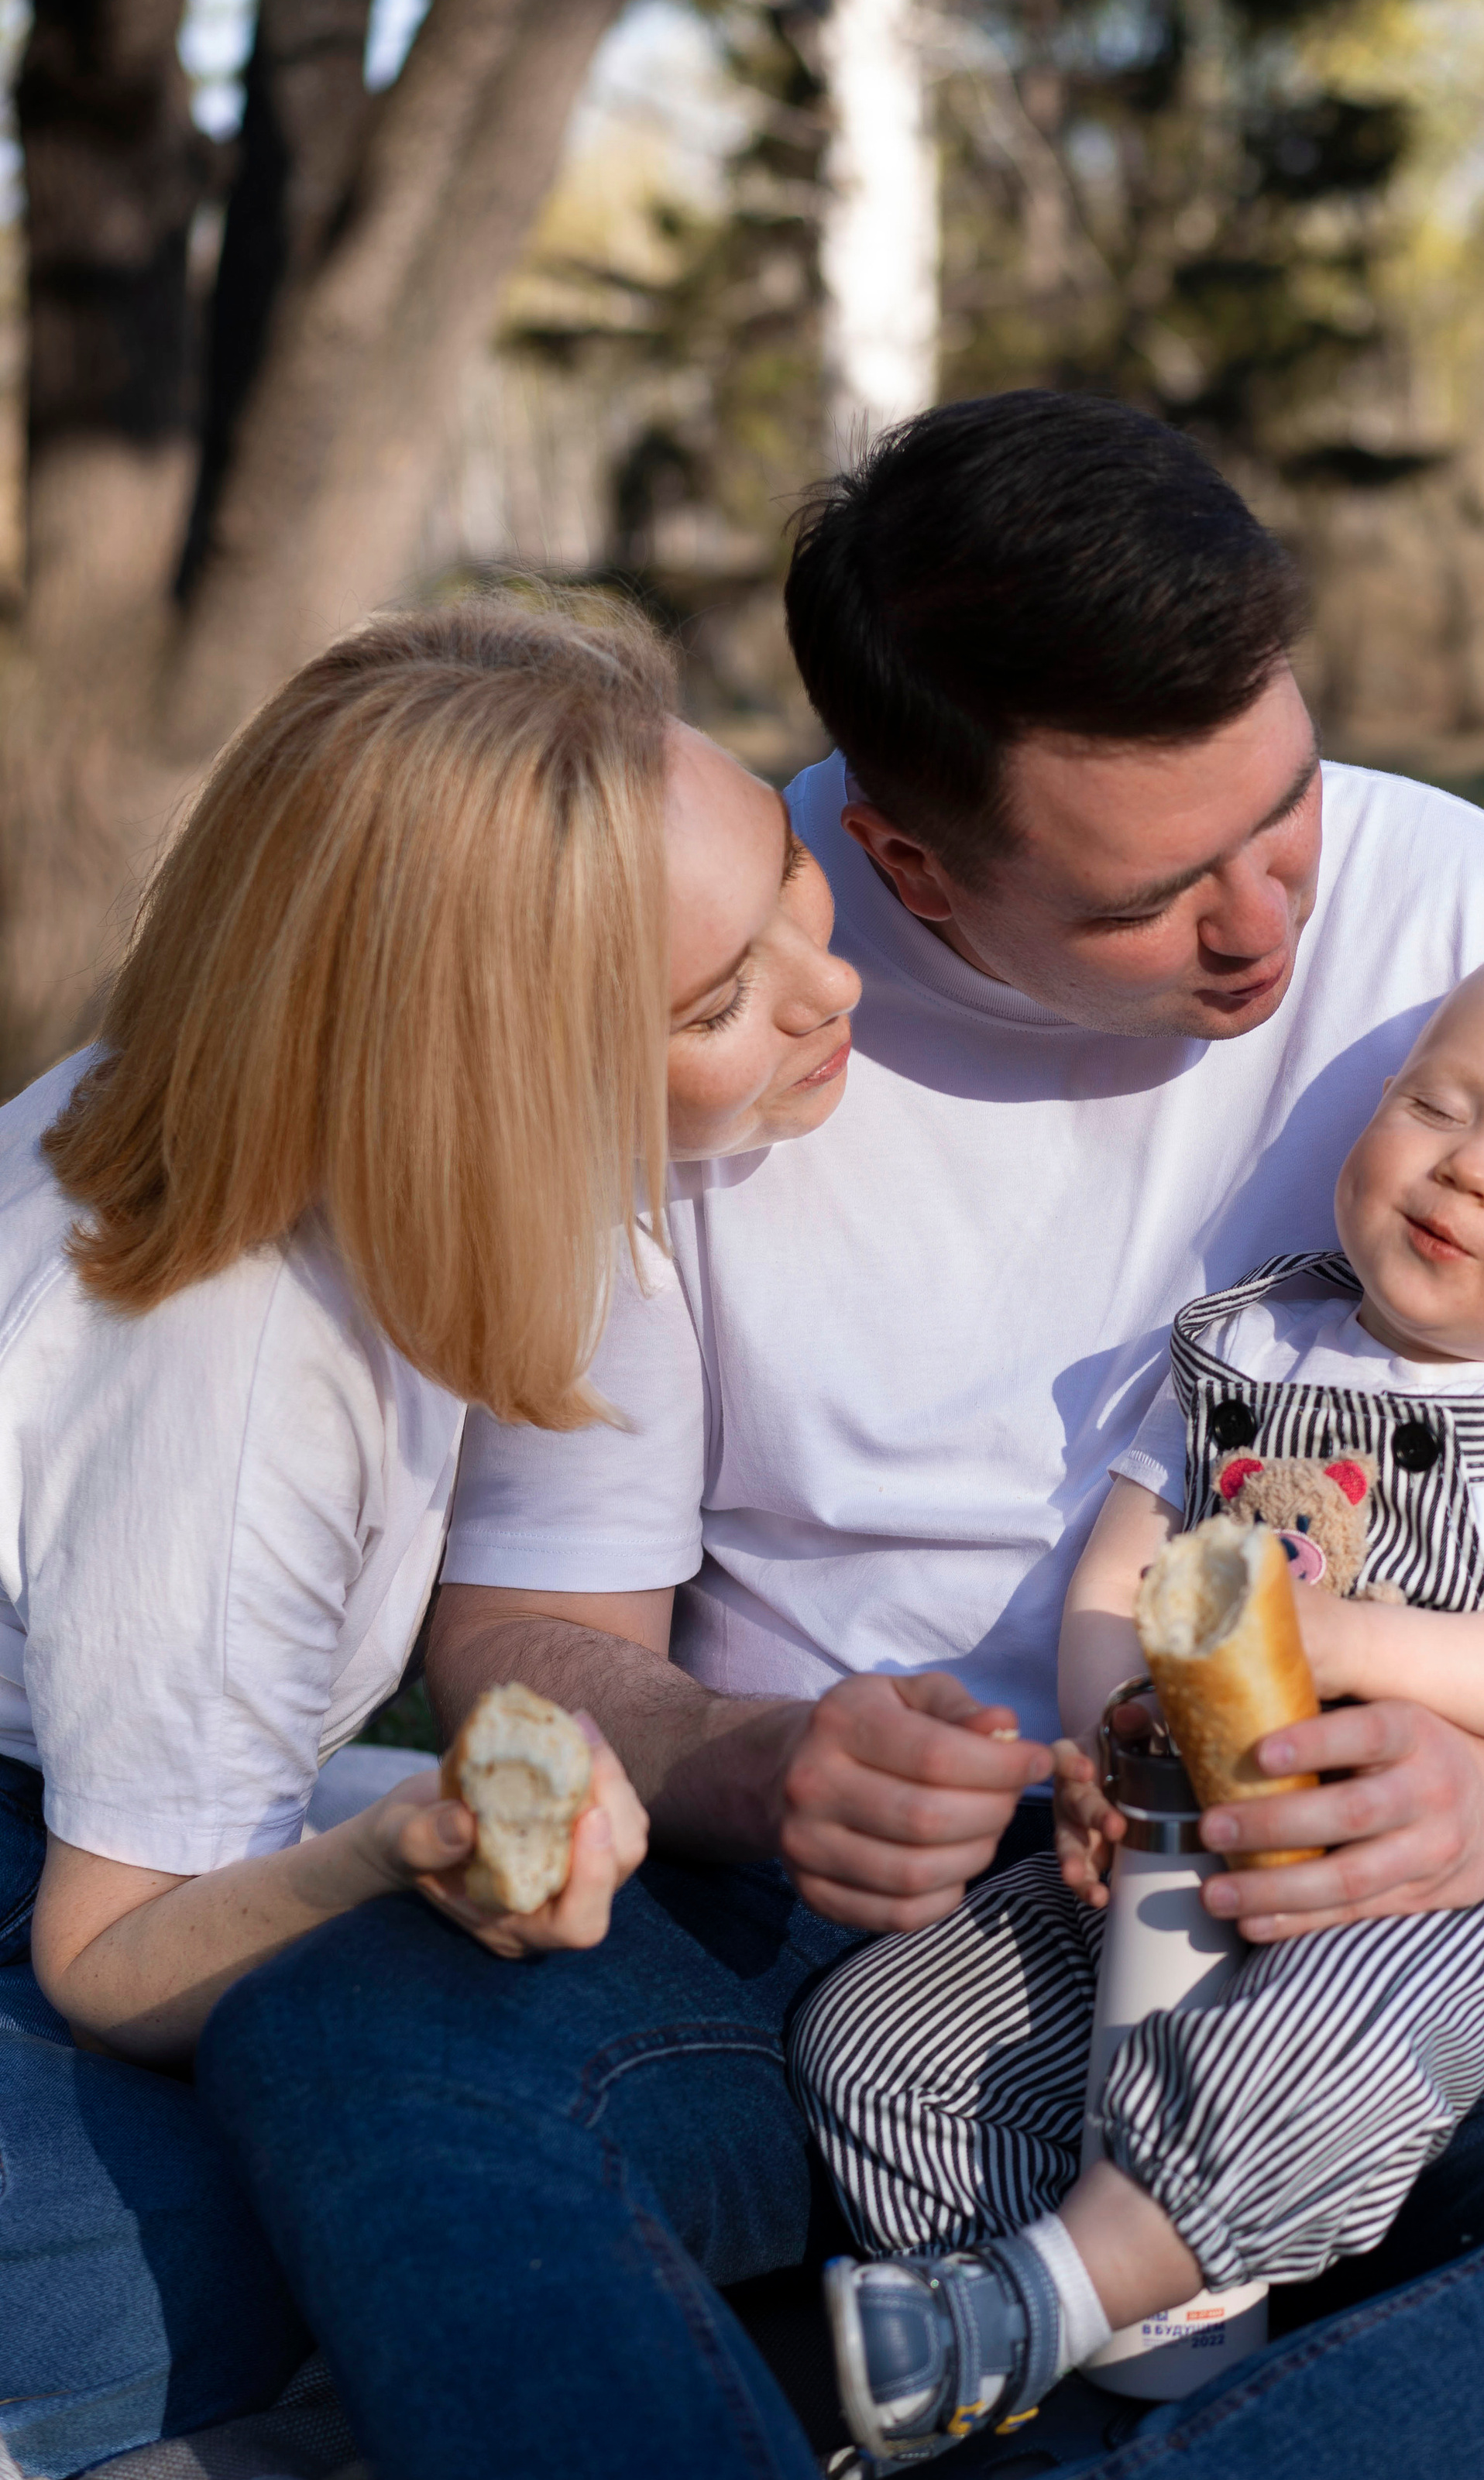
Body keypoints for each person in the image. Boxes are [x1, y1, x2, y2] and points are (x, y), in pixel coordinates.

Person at [201, 393, 1484, 2480]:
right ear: (907, 860)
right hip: (848, 1944)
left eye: (1286, 808)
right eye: (1156, 892)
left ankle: (978, 2375)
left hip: (1366, 1929)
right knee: (362, 2027)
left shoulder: (1482, 920)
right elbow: (523, 1626)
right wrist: (753, 1766)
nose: (1268, 923)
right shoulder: (693, 988)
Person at [0, 597, 858, 2477]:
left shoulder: (522, 1178)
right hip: (70, 1878)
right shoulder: (224, 1369)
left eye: (794, 890)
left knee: (586, 2156)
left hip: (130, 1814)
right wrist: (397, 1844)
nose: (829, 987)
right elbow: (114, 1945)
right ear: (480, 1064)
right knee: (373, 2221)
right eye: (717, 1001)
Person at [797, 926, 1484, 2461]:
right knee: (879, 2034)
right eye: (1438, 1104)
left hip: (1416, 1886)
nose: (1465, 1171)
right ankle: (1010, 2324)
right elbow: (1118, 1581)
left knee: (1312, 2057)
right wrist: (1116, 1743)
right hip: (1167, 1843)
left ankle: (1049, 2291)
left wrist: (1356, 1644)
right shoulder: (1247, 1348)